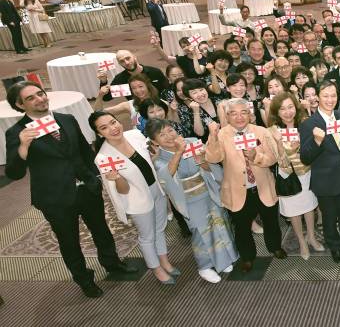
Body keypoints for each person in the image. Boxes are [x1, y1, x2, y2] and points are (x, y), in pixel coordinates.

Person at [4, 82, 135, 298]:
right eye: (31, 98)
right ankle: (84, 279)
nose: (40, 99)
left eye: (41, 93)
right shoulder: (17, 132)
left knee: (101, 229)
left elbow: (84, 150)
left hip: (86, 188)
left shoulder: (66, 119)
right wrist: (23, 147)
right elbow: (14, 173)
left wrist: (94, 178)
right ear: (19, 104)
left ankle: (112, 263)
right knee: (69, 241)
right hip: (55, 198)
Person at [90, 111, 178, 285]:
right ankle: (156, 268)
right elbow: (123, 190)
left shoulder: (134, 135)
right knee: (147, 236)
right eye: (104, 128)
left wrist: (153, 159)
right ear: (99, 134)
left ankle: (164, 261)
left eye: (113, 122)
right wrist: (117, 178)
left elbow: (148, 161)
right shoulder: (103, 158)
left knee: (160, 228)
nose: (113, 128)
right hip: (136, 200)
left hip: (155, 189)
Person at [146, 119, 238, 283]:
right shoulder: (159, 160)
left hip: (208, 191)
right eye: (162, 135)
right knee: (200, 232)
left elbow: (211, 166)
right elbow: (166, 177)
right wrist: (179, 152)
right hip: (189, 200)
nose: (168, 136)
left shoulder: (193, 142)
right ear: (154, 141)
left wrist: (202, 160)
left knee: (220, 224)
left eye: (170, 130)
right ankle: (204, 266)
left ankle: (224, 260)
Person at [204, 99, 286, 272]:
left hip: (263, 186)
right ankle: (247, 257)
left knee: (271, 222)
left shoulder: (261, 131)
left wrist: (256, 156)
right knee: (242, 228)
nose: (239, 117)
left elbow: (272, 158)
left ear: (250, 114)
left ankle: (275, 247)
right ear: (227, 116)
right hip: (237, 190)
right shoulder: (221, 134)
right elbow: (212, 158)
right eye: (234, 113)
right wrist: (212, 135)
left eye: (243, 112)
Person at [299, 81, 340, 263]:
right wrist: (317, 141)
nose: (330, 100)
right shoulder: (308, 124)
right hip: (325, 180)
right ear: (317, 98)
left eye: (333, 96)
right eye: (325, 96)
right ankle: (334, 246)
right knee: (329, 217)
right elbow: (305, 157)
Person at [266, 93, 325, 259]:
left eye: (290, 107)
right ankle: (301, 242)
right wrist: (281, 144)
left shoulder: (304, 124)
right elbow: (279, 161)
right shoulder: (272, 131)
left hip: (307, 173)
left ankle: (311, 237)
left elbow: (313, 150)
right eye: (282, 109)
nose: (287, 112)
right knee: (294, 212)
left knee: (309, 207)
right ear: (277, 112)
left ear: (296, 107)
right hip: (288, 178)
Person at [100, 50, 170, 101]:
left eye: (128, 58)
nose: (126, 63)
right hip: (139, 110)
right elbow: (106, 97)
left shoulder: (154, 72)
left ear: (134, 57)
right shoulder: (121, 80)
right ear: (119, 64)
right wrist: (103, 82)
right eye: (122, 61)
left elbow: (167, 89)